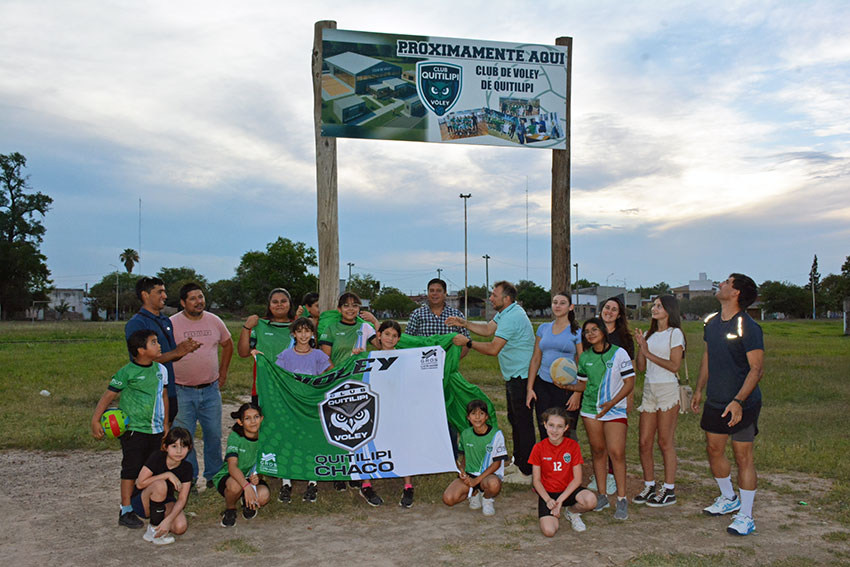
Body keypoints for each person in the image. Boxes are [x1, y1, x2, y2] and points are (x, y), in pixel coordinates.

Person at [691, 274, 763, 536]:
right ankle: (728, 498)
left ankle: (746, 515)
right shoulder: (711, 323)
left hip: (743, 403)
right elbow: (708, 358)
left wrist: (738, 401)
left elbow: (756, 370)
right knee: (713, 449)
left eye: (727, 282)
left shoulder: (748, 326)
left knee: (743, 456)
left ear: (736, 293)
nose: (721, 283)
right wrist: (699, 389)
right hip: (716, 400)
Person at [447, 281, 536, 485]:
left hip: (521, 376)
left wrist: (467, 342)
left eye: (494, 295)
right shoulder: (506, 313)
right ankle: (519, 462)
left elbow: (493, 348)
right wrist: (464, 324)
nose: (490, 298)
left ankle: (527, 471)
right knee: (515, 419)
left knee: (523, 423)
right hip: (513, 375)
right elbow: (488, 329)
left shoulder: (513, 316)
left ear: (506, 298)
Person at [91, 329, 170, 530]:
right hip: (134, 430)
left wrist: (166, 424)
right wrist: (95, 420)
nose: (159, 345)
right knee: (131, 469)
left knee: (153, 467)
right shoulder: (127, 372)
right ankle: (125, 510)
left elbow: (164, 397)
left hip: (156, 430)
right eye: (153, 342)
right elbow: (108, 396)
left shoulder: (161, 369)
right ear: (140, 350)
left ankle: (151, 503)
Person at [318, 292, 382, 502]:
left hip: (361, 385)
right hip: (337, 384)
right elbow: (324, 358)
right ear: (339, 309)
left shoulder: (364, 327)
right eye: (346, 306)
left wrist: (375, 322)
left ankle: (356, 471)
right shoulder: (331, 328)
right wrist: (339, 376)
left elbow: (383, 347)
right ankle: (338, 472)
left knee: (358, 430)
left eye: (355, 305)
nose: (351, 309)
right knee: (338, 429)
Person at [170, 282, 233, 490]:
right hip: (181, 391)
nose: (199, 301)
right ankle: (189, 480)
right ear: (182, 302)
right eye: (193, 298)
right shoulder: (172, 324)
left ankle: (214, 477)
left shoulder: (214, 321)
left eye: (201, 297)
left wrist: (222, 372)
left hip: (210, 391)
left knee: (213, 435)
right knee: (183, 438)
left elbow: (228, 344)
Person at [575, 317, 635, 521]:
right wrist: (567, 386)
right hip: (590, 410)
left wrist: (612, 403)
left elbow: (629, 383)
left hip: (615, 409)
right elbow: (583, 385)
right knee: (598, 451)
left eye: (594, 329)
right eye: (586, 331)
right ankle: (602, 496)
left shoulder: (619, 353)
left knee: (616, 453)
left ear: (603, 331)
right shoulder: (584, 358)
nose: (590, 334)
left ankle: (621, 499)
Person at [125, 276, 201, 424]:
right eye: (159, 292)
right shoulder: (136, 323)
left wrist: (184, 350)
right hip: (147, 393)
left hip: (169, 391)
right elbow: (143, 360)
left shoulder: (166, 320)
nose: (165, 296)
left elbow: (172, 355)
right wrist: (176, 352)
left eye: (164, 292)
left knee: (167, 434)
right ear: (145, 295)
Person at [633, 295, 685, 507]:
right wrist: (641, 347)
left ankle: (669, 489)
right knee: (644, 442)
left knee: (665, 441)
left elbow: (674, 366)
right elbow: (642, 367)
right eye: (653, 305)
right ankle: (649, 485)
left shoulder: (675, 334)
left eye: (659, 306)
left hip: (667, 389)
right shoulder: (649, 334)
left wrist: (647, 351)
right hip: (649, 389)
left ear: (669, 310)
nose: (654, 309)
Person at [274, 317, 331, 504]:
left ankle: (312, 482)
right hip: (291, 406)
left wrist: (318, 389)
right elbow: (277, 377)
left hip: (310, 407)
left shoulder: (318, 356)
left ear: (312, 334)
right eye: (300, 331)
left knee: (310, 442)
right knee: (290, 441)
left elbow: (331, 373)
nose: (304, 335)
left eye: (307, 331)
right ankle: (286, 482)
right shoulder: (285, 356)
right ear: (294, 334)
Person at [529, 407, 597, 536]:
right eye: (551, 425)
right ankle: (553, 514)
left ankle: (572, 512)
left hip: (568, 492)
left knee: (590, 500)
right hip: (548, 494)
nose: (555, 430)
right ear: (545, 425)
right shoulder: (538, 448)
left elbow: (577, 479)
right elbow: (536, 481)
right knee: (549, 531)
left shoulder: (572, 446)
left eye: (559, 426)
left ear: (566, 428)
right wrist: (548, 500)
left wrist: (560, 501)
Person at [591, 296, 635, 495]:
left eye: (614, 309)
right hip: (594, 395)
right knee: (598, 441)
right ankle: (600, 475)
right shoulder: (592, 333)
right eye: (606, 307)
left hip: (616, 395)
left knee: (614, 443)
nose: (609, 311)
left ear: (619, 315)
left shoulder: (624, 338)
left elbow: (631, 372)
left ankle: (611, 477)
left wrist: (629, 399)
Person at [526, 292, 583, 441]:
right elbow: (535, 358)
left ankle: (565, 463)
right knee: (546, 429)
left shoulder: (577, 331)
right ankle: (547, 463)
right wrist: (530, 388)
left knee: (564, 431)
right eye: (555, 302)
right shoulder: (543, 328)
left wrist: (577, 393)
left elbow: (582, 363)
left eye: (562, 303)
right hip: (543, 385)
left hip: (566, 388)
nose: (557, 306)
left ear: (571, 307)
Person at [372, 320, 416, 508]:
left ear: (399, 338)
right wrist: (355, 357)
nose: (390, 338)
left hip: (398, 408)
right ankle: (366, 483)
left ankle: (408, 485)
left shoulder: (405, 358)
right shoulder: (370, 356)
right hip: (376, 409)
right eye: (387, 334)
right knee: (371, 443)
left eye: (394, 335)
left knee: (402, 444)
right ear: (379, 335)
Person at [442, 399, 507, 516]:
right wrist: (462, 472)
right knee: (448, 499)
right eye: (473, 414)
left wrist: (476, 480)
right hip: (471, 475)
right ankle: (474, 493)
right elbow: (465, 457)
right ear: (468, 417)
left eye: (481, 414)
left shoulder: (496, 435)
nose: (477, 417)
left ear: (486, 416)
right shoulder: (465, 434)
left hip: (488, 475)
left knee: (494, 484)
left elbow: (496, 464)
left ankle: (487, 498)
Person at [212, 403, 271, 528]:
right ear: (240, 422)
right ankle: (231, 509)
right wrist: (246, 486)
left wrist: (258, 476)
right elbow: (232, 467)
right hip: (231, 476)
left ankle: (246, 502)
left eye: (256, 417)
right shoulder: (236, 437)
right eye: (247, 418)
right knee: (235, 486)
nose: (253, 422)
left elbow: (265, 463)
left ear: (262, 418)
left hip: (250, 477)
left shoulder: (266, 437)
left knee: (264, 496)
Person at [132, 427, 193, 545]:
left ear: (189, 448)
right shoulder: (157, 457)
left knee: (180, 527)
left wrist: (168, 521)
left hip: (165, 501)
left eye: (183, 446)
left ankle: (161, 523)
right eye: (174, 446)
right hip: (143, 500)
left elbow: (182, 498)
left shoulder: (187, 468)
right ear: (165, 447)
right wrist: (166, 475)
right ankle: (153, 529)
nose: (179, 451)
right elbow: (140, 483)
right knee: (160, 485)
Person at [238, 287, 295, 406]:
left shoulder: (298, 326)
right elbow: (243, 353)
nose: (279, 305)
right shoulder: (259, 325)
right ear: (269, 305)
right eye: (275, 302)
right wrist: (246, 328)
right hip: (263, 387)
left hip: (292, 388)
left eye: (283, 301)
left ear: (290, 304)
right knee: (265, 424)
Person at [405, 278, 470, 357]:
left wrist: (453, 361)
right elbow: (407, 341)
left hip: (448, 363)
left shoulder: (456, 315)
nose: (434, 294)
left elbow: (466, 342)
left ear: (445, 293)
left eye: (438, 291)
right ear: (428, 293)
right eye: (431, 291)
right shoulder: (417, 314)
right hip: (423, 363)